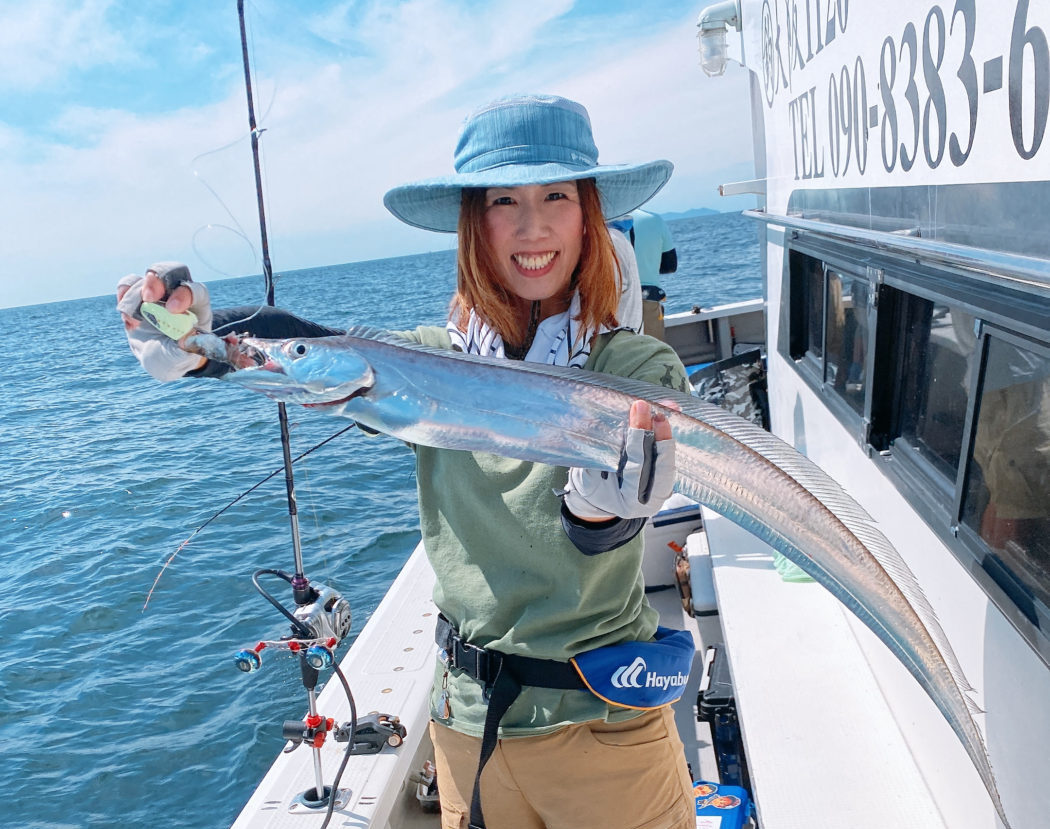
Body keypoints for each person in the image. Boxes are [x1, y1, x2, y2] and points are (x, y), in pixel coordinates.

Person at [118, 93, 696, 829]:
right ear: (473, 226)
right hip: (467, 727)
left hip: (605, 732)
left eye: (556, 194)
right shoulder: (425, 367)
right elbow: (314, 348)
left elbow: (600, 533)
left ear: (587, 214)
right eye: (502, 200)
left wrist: (598, 513)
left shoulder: (635, 368)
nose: (532, 224)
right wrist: (200, 340)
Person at [627, 208, 678, 341]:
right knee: (651, 358)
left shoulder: (597, 221)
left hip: (608, 305)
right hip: (648, 302)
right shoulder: (654, 220)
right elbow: (670, 266)